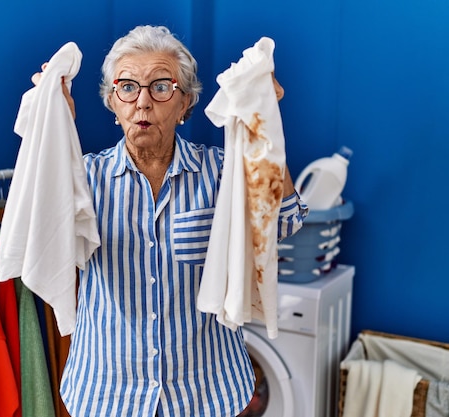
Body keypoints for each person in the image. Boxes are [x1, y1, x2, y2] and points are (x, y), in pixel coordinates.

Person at [32, 25, 307, 417]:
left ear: (185, 105)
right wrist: (52, 122)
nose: (142, 102)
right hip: (107, 393)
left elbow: (285, 220)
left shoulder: (221, 172)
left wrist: (266, 120)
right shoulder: (83, 180)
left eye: (161, 87)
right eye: (127, 87)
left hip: (207, 391)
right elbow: (41, 235)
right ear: (113, 103)